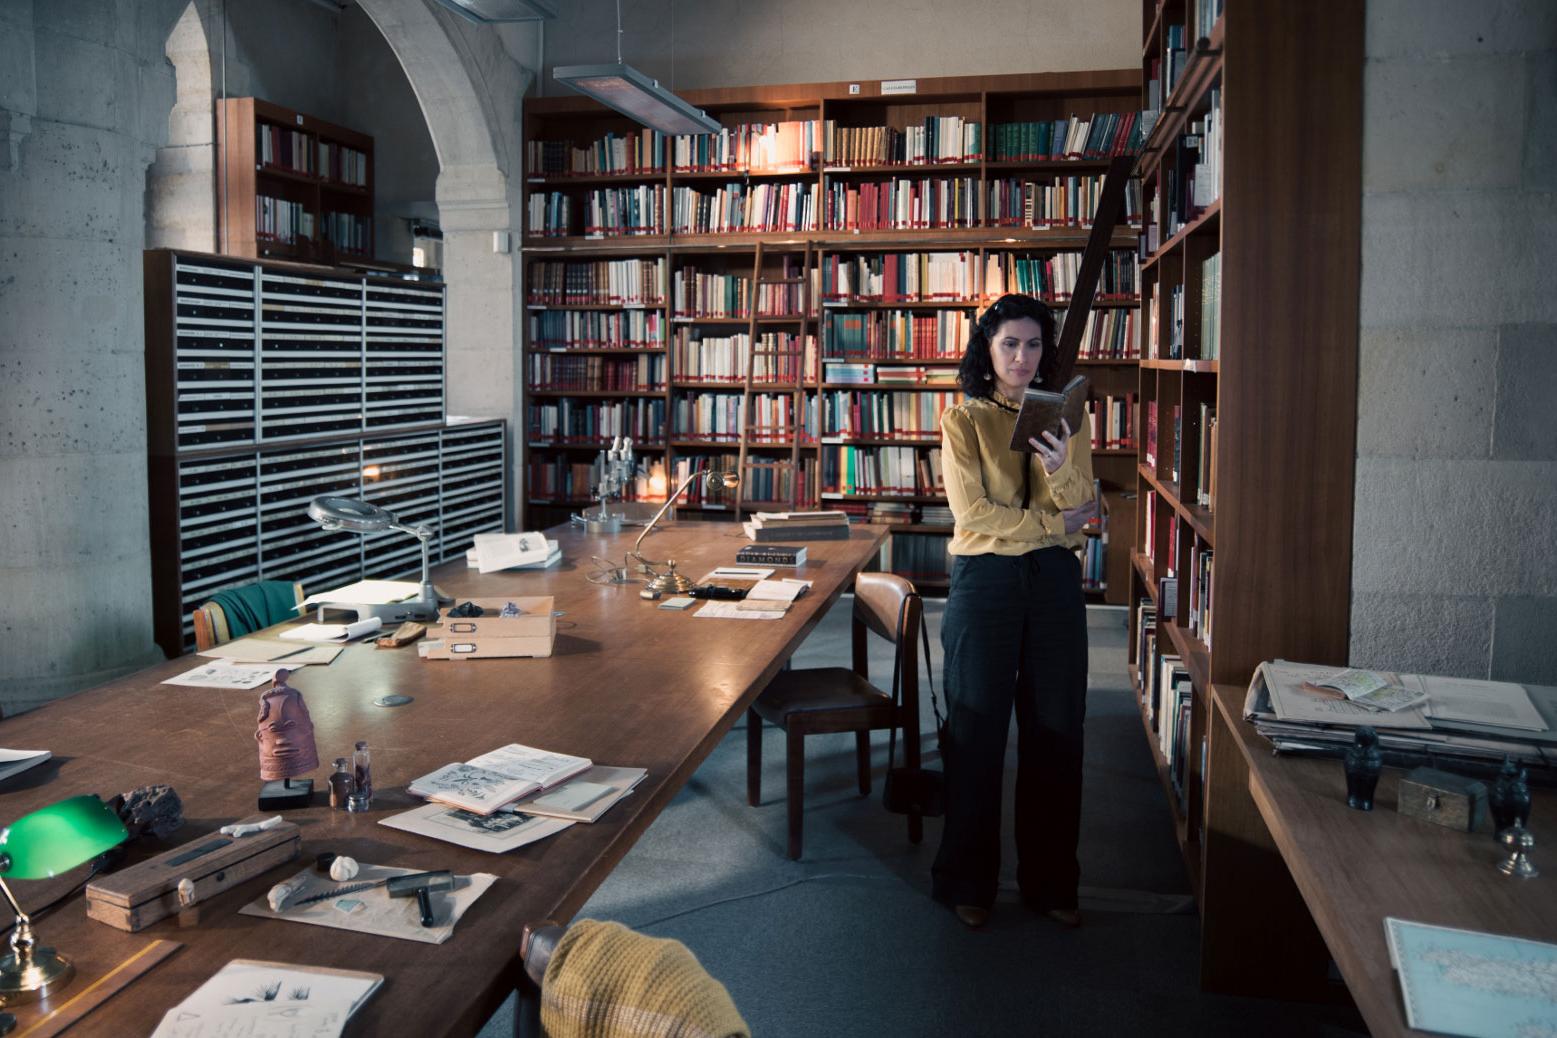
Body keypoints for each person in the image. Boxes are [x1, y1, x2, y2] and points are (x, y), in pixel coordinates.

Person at [931, 293, 1097, 930]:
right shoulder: (963, 421)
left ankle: (1052, 883)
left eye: (1033, 345)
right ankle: (968, 881)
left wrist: (1060, 473)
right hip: (986, 583)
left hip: (1053, 583)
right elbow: (973, 518)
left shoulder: (1067, 419)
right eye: (1009, 344)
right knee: (976, 731)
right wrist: (1054, 525)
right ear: (988, 350)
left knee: (1058, 730)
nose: (1022, 357)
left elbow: (1083, 511)